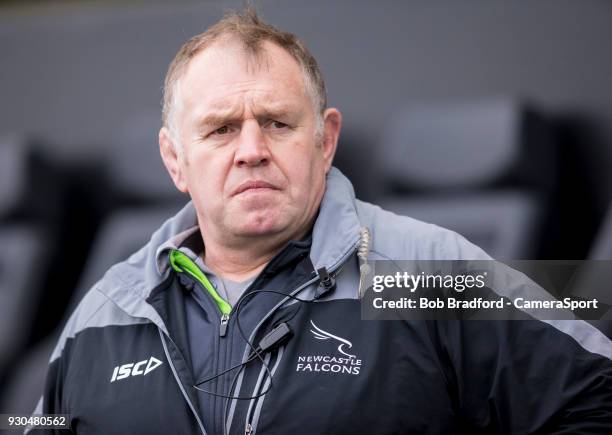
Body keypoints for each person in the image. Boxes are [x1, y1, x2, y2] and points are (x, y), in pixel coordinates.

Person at [29, 8, 612, 435]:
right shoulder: (106, 309)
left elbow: (595, 400)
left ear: (325, 140)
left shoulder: (428, 271)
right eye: (221, 128)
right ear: (175, 159)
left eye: (278, 123)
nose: (252, 149)